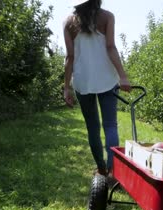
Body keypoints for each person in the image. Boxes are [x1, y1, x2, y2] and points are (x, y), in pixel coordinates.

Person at [63, 0, 131, 177]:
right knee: (110, 125)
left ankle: (101, 169)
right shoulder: (107, 17)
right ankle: (112, 170)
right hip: (107, 79)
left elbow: (69, 57)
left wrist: (66, 88)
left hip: (82, 81)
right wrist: (123, 76)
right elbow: (110, 47)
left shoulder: (68, 22)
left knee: (92, 127)